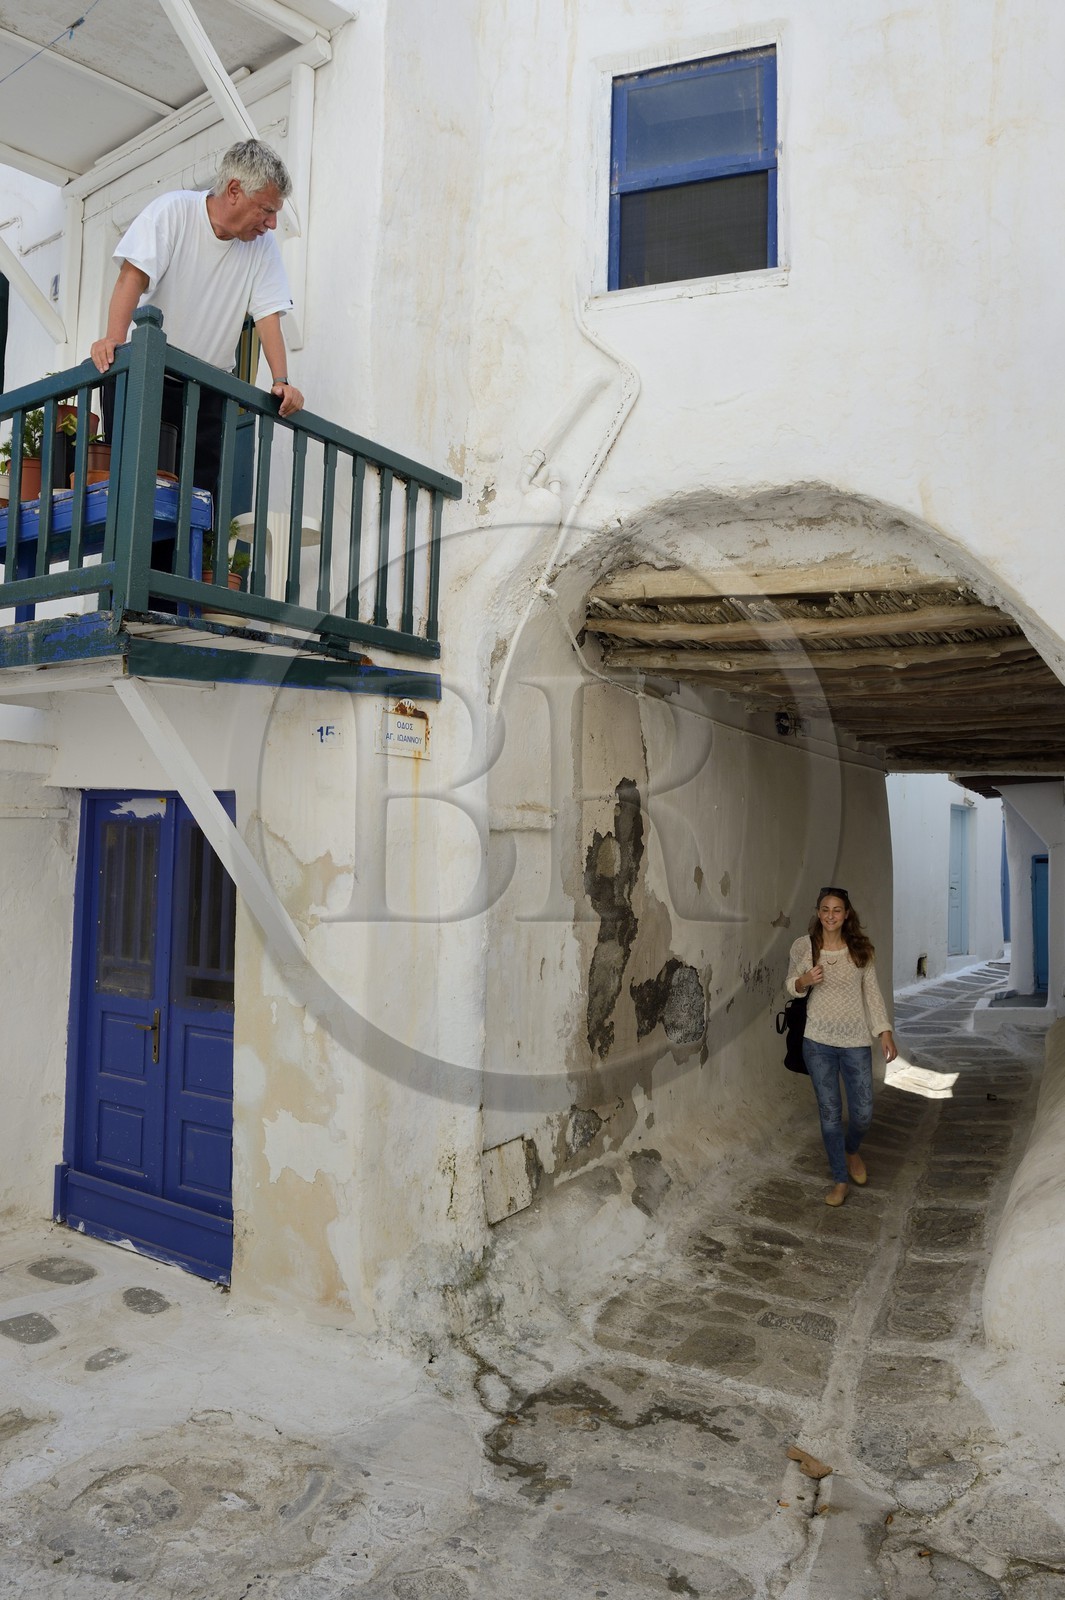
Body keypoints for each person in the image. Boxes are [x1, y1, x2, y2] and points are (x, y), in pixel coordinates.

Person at [89, 139, 305, 507]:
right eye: (266, 210)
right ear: (234, 190)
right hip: (147, 375)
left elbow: (268, 315)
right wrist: (113, 339)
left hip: (207, 392)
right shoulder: (173, 211)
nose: (271, 223)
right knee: (135, 495)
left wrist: (281, 380)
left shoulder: (262, 246)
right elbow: (131, 277)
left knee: (198, 502)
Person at [785, 886, 898, 1207]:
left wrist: (884, 1031)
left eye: (837, 910)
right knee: (830, 1114)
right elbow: (790, 985)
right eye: (825, 909)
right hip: (817, 1041)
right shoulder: (805, 947)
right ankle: (839, 1178)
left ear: (846, 914)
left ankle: (851, 1151)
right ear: (818, 912)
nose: (830, 915)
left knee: (862, 1112)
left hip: (855, 1041)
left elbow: (872, 994)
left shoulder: (861, 950)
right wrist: (804, 981)